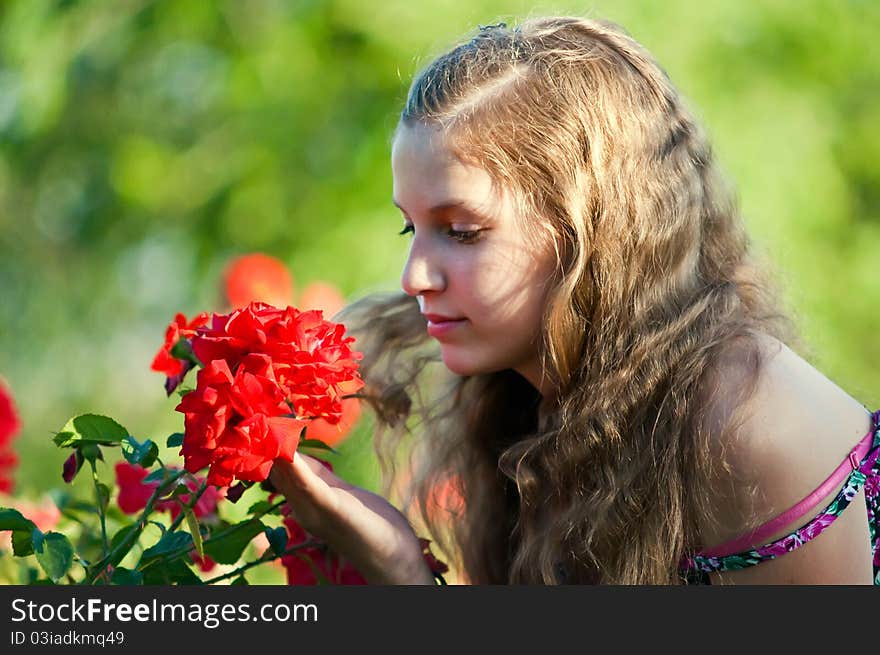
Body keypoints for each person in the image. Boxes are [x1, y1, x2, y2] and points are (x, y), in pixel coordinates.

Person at [268, 16, 879, 585]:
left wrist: (403, 574)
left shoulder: (749, 422)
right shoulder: (527, 404)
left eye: (461, 232)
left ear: (594, 233)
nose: (414, 277)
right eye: (411, 228)